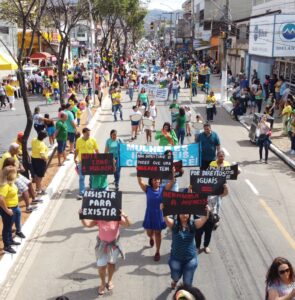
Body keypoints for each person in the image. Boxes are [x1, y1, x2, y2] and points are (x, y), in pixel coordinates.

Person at [79, 210, 130, 295]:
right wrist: (81, 216)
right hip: (102, 247)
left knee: (111, 265)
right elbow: (87, 225)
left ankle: (110, 280)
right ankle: (102, 283)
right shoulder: (99, 217)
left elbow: (128, 224)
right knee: (101, 267)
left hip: (113, 247)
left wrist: (125, 216)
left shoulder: (117, 216)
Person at [163, 210, 210, 288]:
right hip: (176, 258)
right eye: (182, 213)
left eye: (186, 213)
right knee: (175, 276)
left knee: (187, 284)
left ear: (190, 214)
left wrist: (207, 211)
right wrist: (163, 209)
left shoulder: (193, 224)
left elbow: (204, 218)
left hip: (190, 260)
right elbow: (166, 218)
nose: (184, 215)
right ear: (178, 214)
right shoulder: (174, 224)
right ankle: (175, 281)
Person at [137, 176, 174, 261]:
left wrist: (172, 173)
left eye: (158, 179)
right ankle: (151, 237)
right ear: (151, 181)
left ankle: (157, 251)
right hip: (149, 214)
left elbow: (171, 182)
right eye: (155, 179)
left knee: (158, 233)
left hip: (159, 215)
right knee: (149, 233)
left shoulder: (163, 189)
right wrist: (138, 172)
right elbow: (140, 181)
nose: (157, 180)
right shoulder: (147, 189)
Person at [0, 145, 38, 213]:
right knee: (24, 189)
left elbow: (17, 162)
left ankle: (34, 199)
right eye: (17, 150)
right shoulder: (7, 156)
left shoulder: (13, 154)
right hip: (11, 176)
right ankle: (28, 207)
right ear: (13, 150)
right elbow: (7, 169)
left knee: (29, 183)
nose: (18, 151)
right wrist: (19, 169)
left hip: (17, 174)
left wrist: (21, 166)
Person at [194, 184, 228, 254]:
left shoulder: (217, 187)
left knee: (208, 232)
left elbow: (224, 194)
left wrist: (226, 188)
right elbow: (190, 195)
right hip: (199, 215)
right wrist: (190, 188)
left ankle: (206, 246)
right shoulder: (197, 185)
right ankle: (197, 247)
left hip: (211, 216)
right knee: (198, 233)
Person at [0, 166, 23, 254]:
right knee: (7, 227)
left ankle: (10, 241)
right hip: (9, 209)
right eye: (14, 172)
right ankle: (6, 246)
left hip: (14, 207)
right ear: (10, 175)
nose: (16, 173)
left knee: (9, 226)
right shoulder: (4, 186)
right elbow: (1, 199)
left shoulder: (10, 182)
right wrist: (7, 210)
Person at [74, 128, 99, 199]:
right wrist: (74, 158)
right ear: (83, 133)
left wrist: (99, 158)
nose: (89, 135)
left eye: (89, 134)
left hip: (91, 161)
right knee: (81, 178)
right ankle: (82, 192)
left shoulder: (93, 140)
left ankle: (92, 189)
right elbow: (77, 150)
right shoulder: (78, 140)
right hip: (82, 162)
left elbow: (96, 150)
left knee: (92, 176)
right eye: (87, 134)